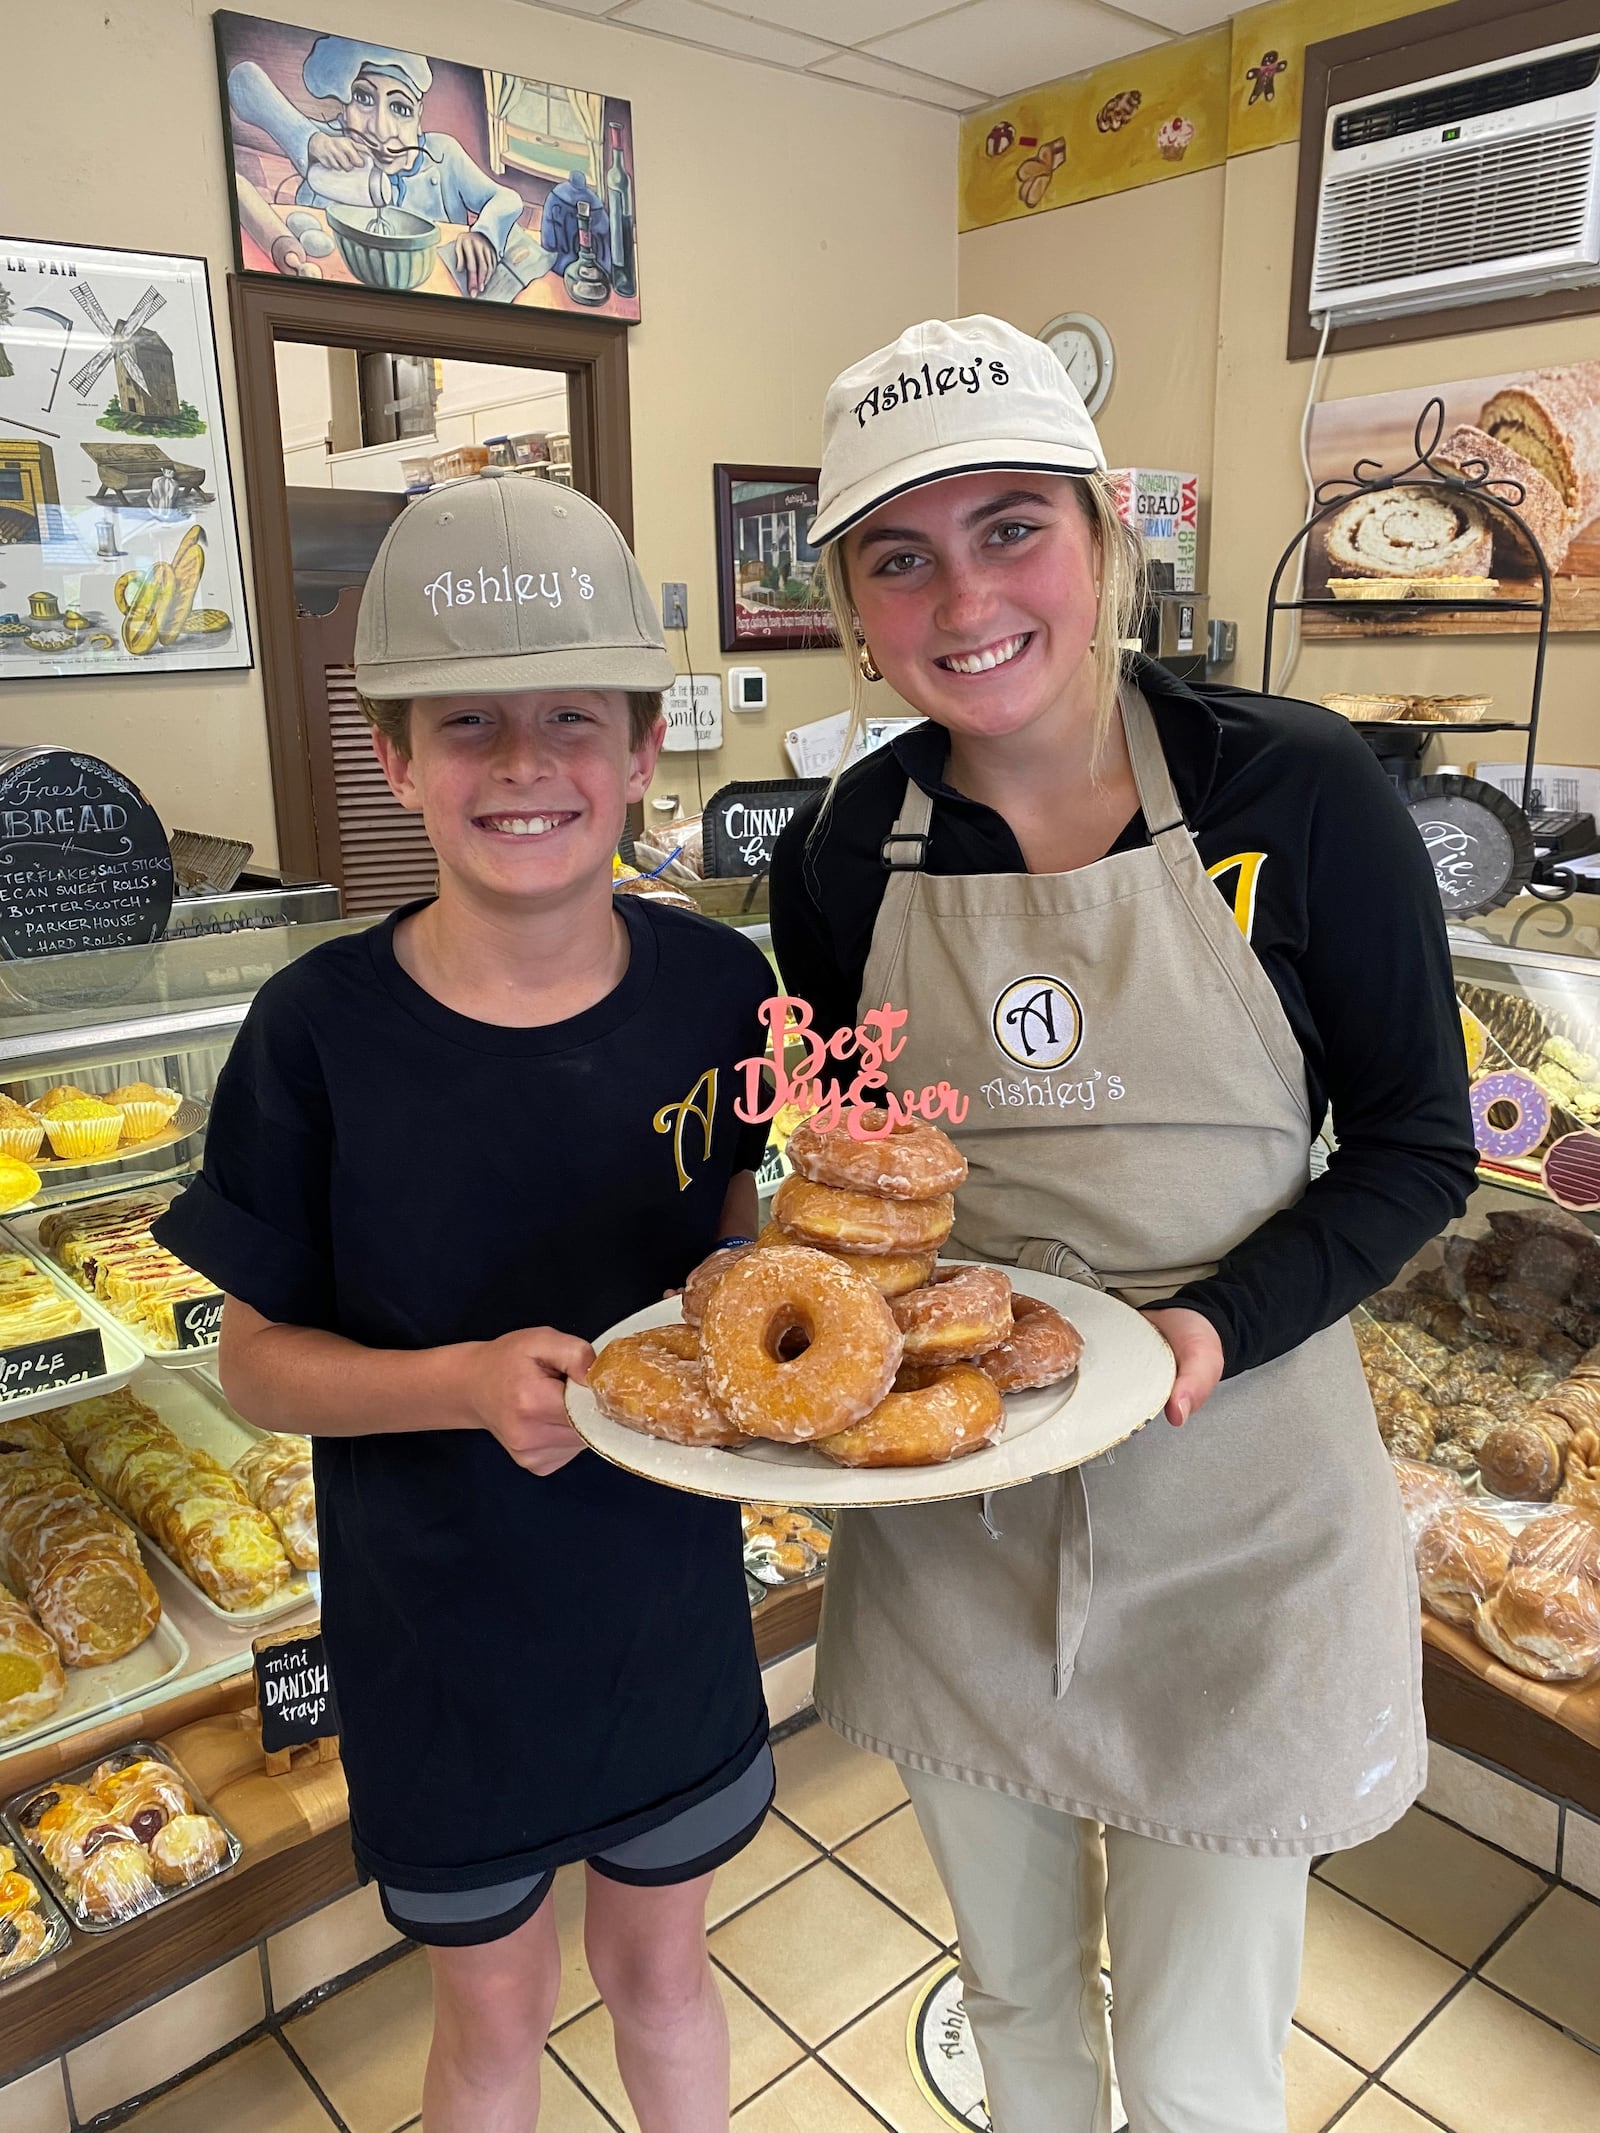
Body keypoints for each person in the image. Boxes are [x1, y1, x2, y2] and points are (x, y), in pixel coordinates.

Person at [768, 315, 1477, 2133]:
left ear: (1105, 539)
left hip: (1237, 1490)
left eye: (1014, 527)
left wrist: (1201, 1328)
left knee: (1193, 2064)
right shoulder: (850, 847)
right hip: (960, 1499)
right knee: (1015, 2005)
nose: (964, 596)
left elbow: (1413, 1143)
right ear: (852, 601)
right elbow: (862, 1176)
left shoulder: (1295, 794)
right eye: (900, 555)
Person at [156, 473, 775, 2133]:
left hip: (666, 1602)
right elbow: (258, 1365)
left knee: (664, 1981)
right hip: (439, 1628)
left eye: (571, 720)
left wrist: (761, 1282)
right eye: (467, 723)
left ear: (642, 751)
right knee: (491, 2031)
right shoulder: (316, 1029)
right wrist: (462, 1383)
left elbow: (739, 1241)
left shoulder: (726, 989)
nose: (522, 767)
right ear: (395, 756)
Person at [228, 37, 530, 296]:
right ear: (345, 106)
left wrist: (483, 233)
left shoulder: (442, 154)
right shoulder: (332, 144)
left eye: (400, 108)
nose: (381, 129)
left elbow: (507, 198)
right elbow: (242, 81)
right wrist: (308, 140)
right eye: (363, 98)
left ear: (419, 114)